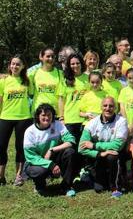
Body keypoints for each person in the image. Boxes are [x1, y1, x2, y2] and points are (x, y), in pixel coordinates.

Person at [23, 103, 77, 196]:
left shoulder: (57, 124)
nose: (47, 118)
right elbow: (30, 156)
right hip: (36, 162)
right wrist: (50, 165)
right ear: (37, 116)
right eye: (43, 115)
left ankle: (66, 186)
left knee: (70, 152)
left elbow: (71, 141)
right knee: (38, 171)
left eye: (49, 115)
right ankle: (40, 186)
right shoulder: (30, 131)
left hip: (53, 156)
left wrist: (52, 149)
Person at [78, 96, 128, 198]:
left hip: (115, 156)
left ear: (115, 108)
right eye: (105, 105)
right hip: (99, 157)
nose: (108, 108)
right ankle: (89, 173)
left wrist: (94, 145)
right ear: (101, 107)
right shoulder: (91, 123)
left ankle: (115, 187)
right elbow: (81, 148)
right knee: (99, 189)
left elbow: (117, 145)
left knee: (112, 155)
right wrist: (100, 154)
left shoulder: (122, 121)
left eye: (111, 106)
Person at [0, 55, 33, 186]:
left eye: (18, 64)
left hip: (23, 118)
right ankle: (1, 176)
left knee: (20, 148)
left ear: (23, 66)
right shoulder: (3, 81)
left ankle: (19, 176)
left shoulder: (27, 81)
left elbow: (32, 96)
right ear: (9, 65)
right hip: (5, 117)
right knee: (1, 147)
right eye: (13, 64)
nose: (15, 66)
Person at [58, 53, 89, 144]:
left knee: (83, 147)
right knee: (70, 146)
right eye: (72, 64)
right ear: (69, 65)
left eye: (77, 63)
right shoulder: (65, 80)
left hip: (85, 119)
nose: (75, 66)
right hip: (70, 119)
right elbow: (61, 100)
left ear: (82, 64)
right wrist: (61, 118)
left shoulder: (88, 79)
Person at [30, 47, 64, 112]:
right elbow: (18, 76)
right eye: (48, 56)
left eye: (52, 57)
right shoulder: (33, 73)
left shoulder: (60, 74)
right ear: (41, 57)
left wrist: (62, 116)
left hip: (55, 113)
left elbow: (61, 97)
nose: (50, 59)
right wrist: (7, 75)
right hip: (38, 113)